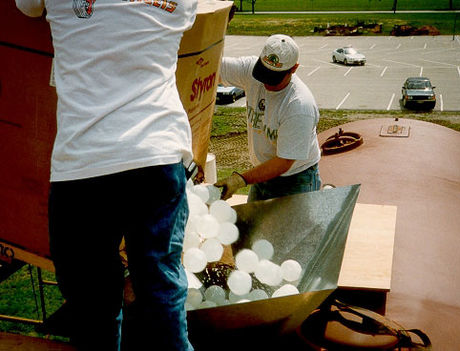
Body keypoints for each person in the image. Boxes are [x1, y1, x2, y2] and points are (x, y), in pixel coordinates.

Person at [15, 0, 198, 350]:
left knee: (93, 310)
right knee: (162, 297)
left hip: (84, 165)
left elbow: (27, 8)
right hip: (156, 155)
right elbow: (189, 17)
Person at [215, 34, 321, 202]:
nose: (266, 83)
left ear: (294, 68)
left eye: (274, 78)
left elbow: (283, 162)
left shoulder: (299, 105)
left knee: (292, 228)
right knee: (256, 225)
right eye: (264, 73)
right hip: (262, 173)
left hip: (295, 180)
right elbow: (214, 68)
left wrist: (240, 179)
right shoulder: (249, 70)